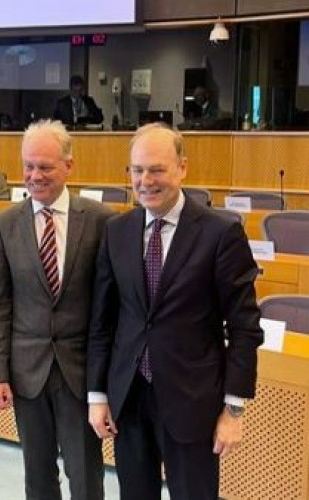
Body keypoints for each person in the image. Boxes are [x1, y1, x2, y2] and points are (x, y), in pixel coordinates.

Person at [87, 123, 263, 500]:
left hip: (192, 402)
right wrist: (97, 394)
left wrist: (234, 409)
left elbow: (245, 328)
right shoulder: (117, 231)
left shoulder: (220, 234)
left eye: (157, 169)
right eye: (137, 170)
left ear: (182, 168)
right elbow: (103, 322)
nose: (145, 181)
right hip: (129, 398)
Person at [0, 119, 112, 500]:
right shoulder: (5, 224)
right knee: (37, 476)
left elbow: (111, 305)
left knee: (85, 476)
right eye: (28, 166)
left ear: (69, 166)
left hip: (81, 371)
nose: (34, 175)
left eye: (45, 166)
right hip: (27, 372)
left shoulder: (101, 221)